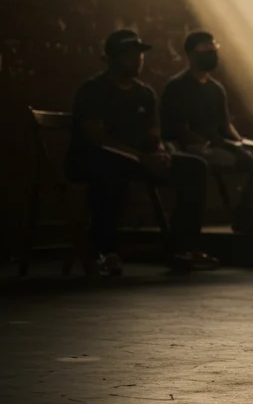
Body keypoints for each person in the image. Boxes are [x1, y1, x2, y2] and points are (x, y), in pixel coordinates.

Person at [67, 30, 211, 273]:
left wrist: (161, 153)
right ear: (111, 59)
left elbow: (154, 136)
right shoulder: (93, 90)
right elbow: (98, 139)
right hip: (98, 159)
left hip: (139, 161)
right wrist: (142, 158)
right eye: (129, 55)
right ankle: (105, 251)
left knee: (195, 168)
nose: (137, 60)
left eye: (140, 55)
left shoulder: (145, 94)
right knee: (107, 171)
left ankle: (182, 247)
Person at [161, 31, 253, 234]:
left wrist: (241, 143)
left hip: (220, 144)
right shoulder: (177, 86)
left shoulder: (216, 88)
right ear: (191, 54)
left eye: (213, 47)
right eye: (205, 48)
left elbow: (225, 124)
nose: (212, 51)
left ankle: (246, 216)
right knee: (235, 160)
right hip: (194, 147)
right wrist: (208, 144)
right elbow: (176, 128)